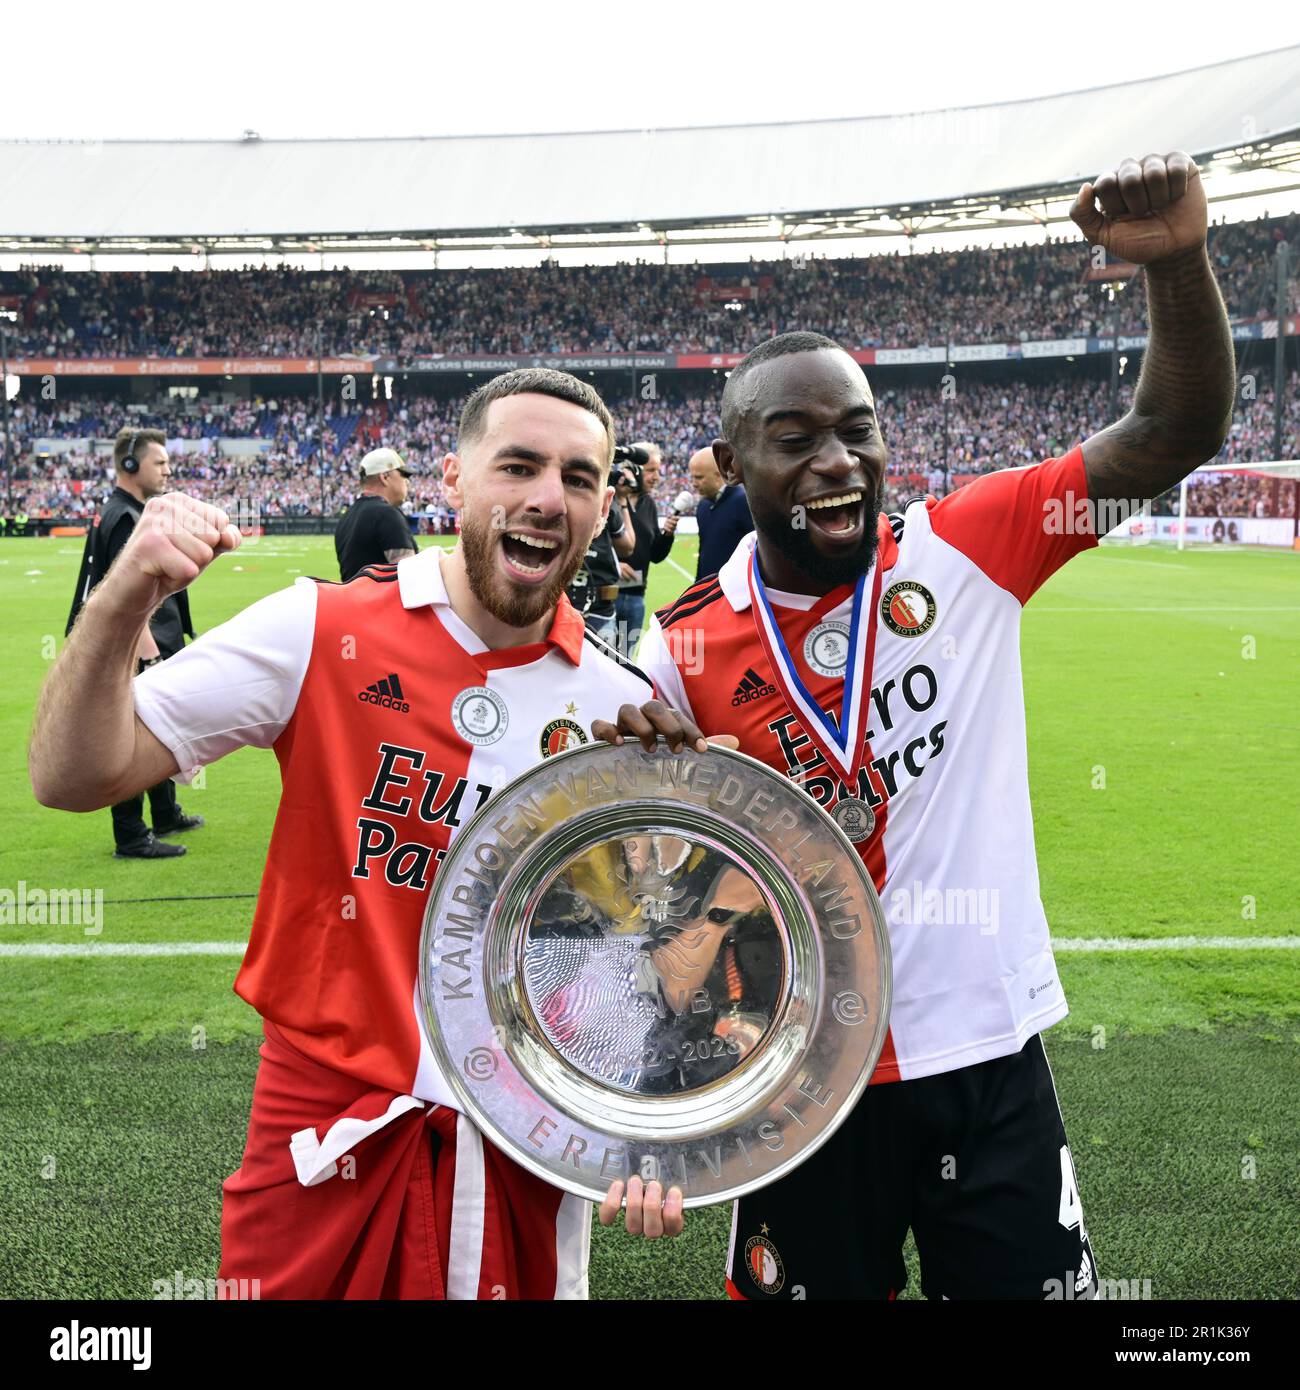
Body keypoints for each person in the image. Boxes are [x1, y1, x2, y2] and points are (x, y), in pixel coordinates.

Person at [600, 151, 1234, 1300]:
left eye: (858, 429)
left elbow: (1172, 428)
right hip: (794, 1079)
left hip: (985, 1050)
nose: (839, 461)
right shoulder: (682, 645)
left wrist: (1180, 264)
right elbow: (656, 904)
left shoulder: (970, 546)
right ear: (736, 465)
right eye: (796, 438)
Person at [30, 369, 692, 1299]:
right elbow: (71, 774)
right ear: (453, 483)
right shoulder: (318, 627)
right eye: (519, 465)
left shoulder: (625, 710)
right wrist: (126, 592)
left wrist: (655, 1124)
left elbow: (635, 963)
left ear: (598, 508)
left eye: (580, 479)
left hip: (528, 1154)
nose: (549, 497)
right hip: (323, 1141)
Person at [64, 427, 204, 860]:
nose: (167, 469)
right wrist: (149, 654)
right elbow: (130, 599)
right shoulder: (125, 518)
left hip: (148, 642)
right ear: (130, 465)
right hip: (136, 647)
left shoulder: (127, 512)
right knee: (132, 736)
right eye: (159, 462)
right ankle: (130, 834)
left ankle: (164, 811)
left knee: (160, 728)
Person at [613, 442, 677, 657]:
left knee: (625, 661)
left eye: (658, 471)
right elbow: (588, 544)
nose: (657, 477)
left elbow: (656, 556)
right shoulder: (609, 498)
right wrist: (614, 564)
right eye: (651, 470)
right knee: (601, 660)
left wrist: (667, 535)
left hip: (636, 598)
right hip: (607, 597)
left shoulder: (649, 503)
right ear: (632, 469)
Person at [333, 446, 418, 581]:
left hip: (355, 600)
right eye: (402, 475)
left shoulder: (346, 518)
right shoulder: (387, 514)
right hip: (384, 602)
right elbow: (410, 578)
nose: (406, 481)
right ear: (384, 477)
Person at [688, 444, 753, 579]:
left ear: (719, 475)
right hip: (710, 590)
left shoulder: (743, 502)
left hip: (737, 591)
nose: (693, 483)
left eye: (699, 478)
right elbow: (703, 552)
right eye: (692, 477)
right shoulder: (703, 506)